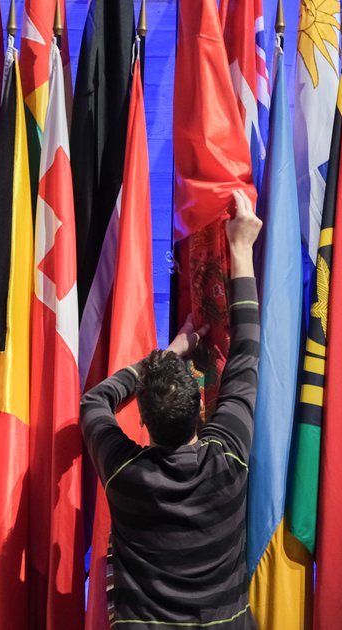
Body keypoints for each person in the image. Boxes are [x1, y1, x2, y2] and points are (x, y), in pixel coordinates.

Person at [80, 189, 263, 629]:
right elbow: (246, 353)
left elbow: (94, 401)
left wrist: (169, 353)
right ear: (201, 403)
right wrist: (240, 249)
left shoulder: (126, 472)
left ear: (142, 421)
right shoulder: (227, 458)